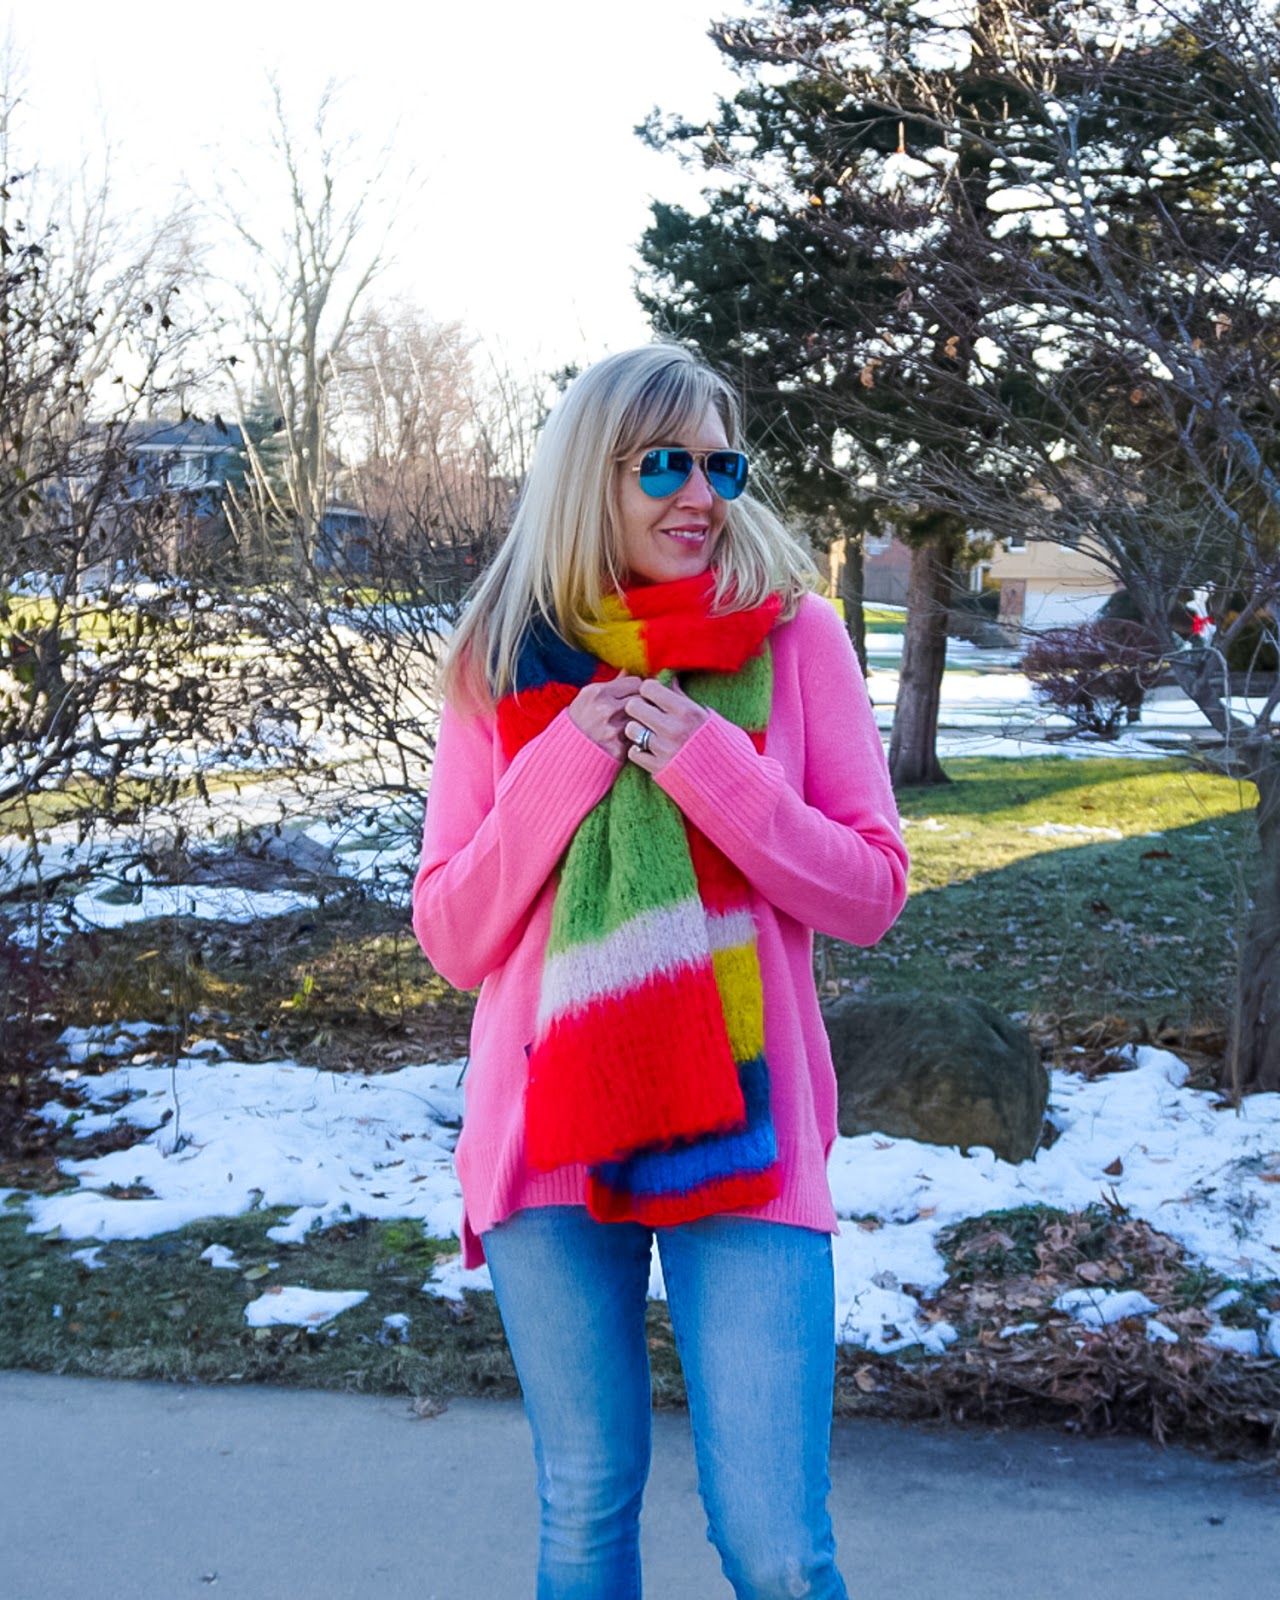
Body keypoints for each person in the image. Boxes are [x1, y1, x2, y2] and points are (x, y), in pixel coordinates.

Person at [412, 345, 908, 1600]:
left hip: (742, 1132)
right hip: (546, 1136)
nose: (702, 493)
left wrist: (714, 769)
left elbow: (868, 890)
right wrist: (561, 767)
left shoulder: (792, 642)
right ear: (593, 477)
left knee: (776, 1547)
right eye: (665, 465)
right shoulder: (500, 659)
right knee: (583, 1509)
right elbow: (453, 934)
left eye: (720, 462)